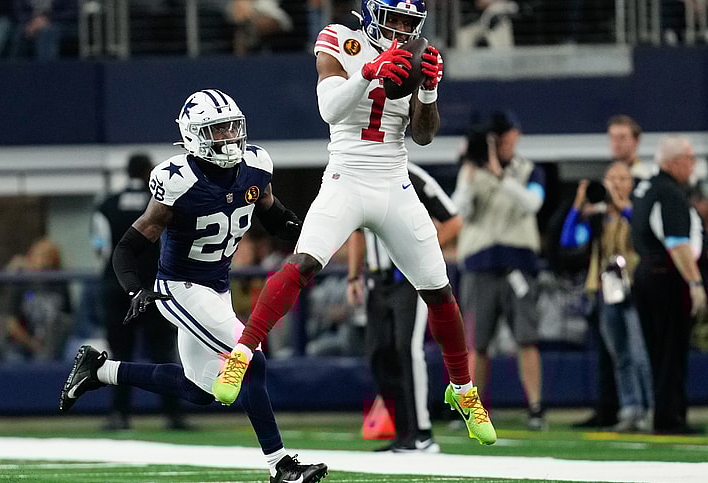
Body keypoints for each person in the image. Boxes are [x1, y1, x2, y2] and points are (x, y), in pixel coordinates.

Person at [212, 0, 497, 446]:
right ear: (371, 14)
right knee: (304, 262)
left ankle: (462, 390)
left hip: (394, 180)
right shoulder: (339, 39)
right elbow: (330, 110)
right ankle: (243, 352)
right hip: (347, 175)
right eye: (394, 18)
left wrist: (427, 91)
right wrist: (368, 72)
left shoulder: (419, 52)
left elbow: (423, 135)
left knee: (439, 289)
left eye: (409, 22)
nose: (401, 28)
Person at [60, 89, 328, 483]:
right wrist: (136, 289)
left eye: (232, 127)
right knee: (250, 359)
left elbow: (274, 216)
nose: (229, 136)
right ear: (193, 136)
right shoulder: (178, 181)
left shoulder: (256, 166)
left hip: (216, 288)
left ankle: (101, 370)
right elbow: (127, 248)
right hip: (180, 287)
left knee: (200, 390)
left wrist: (312, 230)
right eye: (217, 129)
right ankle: (280, 465)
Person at [346, 162, 463, 452]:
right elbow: (357, 231)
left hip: (408, 279)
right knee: (378, 354)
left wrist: (421, 253)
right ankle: (403, 432)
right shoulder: (358, 174)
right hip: (376, 280)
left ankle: (422, 432)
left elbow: (453, 221)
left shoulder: (412, 176)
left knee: (407, 350)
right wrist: (353, 275)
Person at [451, 110, 547, 431]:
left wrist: (500, 175)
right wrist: (470, 174)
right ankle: (473, 413)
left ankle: (535, 408)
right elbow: (458, 210)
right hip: (479, 264)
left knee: (526, 339)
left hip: (519, 262)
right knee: (476, 344)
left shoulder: (529, 170)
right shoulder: (471, 173)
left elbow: (532, 204)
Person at [91, 152, 190, 432]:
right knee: (163, 352)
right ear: (148, 172)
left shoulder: (107, 205)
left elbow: (100, 247)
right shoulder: (159, 202)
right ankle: (172, 414)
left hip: (117, 287)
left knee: (119, 353)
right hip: (154, 287)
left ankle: (119, 414)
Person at [559, 162, 654, 432]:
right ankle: (630, 408)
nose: (616, 184)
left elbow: (643, 231)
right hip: (607, 291)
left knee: (640, 353)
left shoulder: (636, 211)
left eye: (622, 179)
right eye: (611, 179)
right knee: (619, 355)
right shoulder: (598, 218)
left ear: (631, 184)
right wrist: (578, 205)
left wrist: (621, 204)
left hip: (634, 288)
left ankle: (651, 409)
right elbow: (568, 240)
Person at [631, 134, 708, 435]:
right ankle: (670, 417)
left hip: (645, 273)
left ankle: (664, 414)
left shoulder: (645, 188)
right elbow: (677, 244)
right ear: (674, 162)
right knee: (672, 349)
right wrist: (695, 282)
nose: (693, 164)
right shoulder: (669, 192)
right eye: (689, 158)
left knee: (657, 350)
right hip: (666, 276)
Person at [0, 237, 74, 361]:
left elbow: (67, 319)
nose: (43, 261)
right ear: (31, 257)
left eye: (48, 256)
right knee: (14, 359)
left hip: (52, 344)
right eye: (40, 255)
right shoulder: (20, 282)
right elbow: (12, 325)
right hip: (22, 344)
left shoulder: (60, 283)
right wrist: (32, 344)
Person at [10, 0, 77, 61]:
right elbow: (19, 11)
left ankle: (45, 68)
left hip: (61, 23)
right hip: (30, 23)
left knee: (47, 32)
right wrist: (33, 23)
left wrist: (48, 19)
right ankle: (15, 69)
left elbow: (72, 11)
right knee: (20, 32)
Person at [607, 115, 653, 183]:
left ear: (636, 141)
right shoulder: (605, 176)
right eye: (612, 137)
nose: (616, 143)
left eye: (622, 137)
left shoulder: (645, 178)